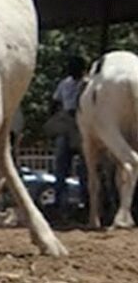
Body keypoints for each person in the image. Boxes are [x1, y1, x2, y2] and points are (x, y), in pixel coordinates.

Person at [45, 55, 87, 214]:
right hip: (67, 124)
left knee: (85, 167)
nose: (71, 70)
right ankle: (60, 200)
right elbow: (55, 101)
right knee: (61, 165)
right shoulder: (65, 83)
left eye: (74, 67)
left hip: (83, 125)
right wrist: (54, 120)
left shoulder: (87, 84)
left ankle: (85, 200)